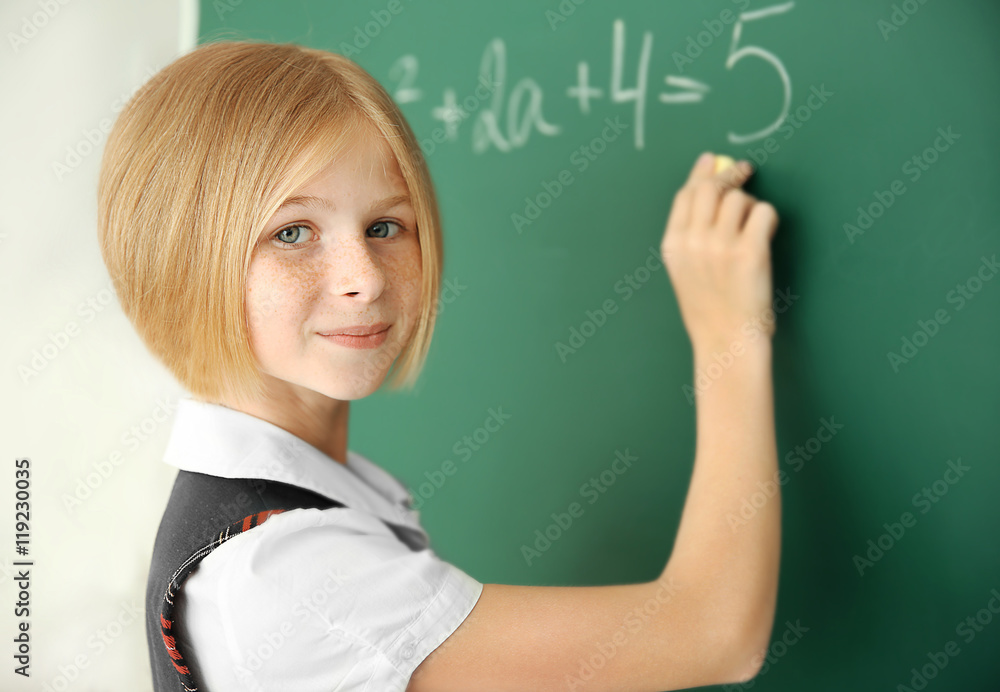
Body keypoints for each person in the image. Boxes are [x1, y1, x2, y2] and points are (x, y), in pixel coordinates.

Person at [97, 39, 781, 692]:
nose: (363, 277)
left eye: (384, 227)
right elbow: (713, 634)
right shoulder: (286, 572)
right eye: (293, 233)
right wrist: (728, 332)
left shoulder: (268, 518)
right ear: (180, 261)